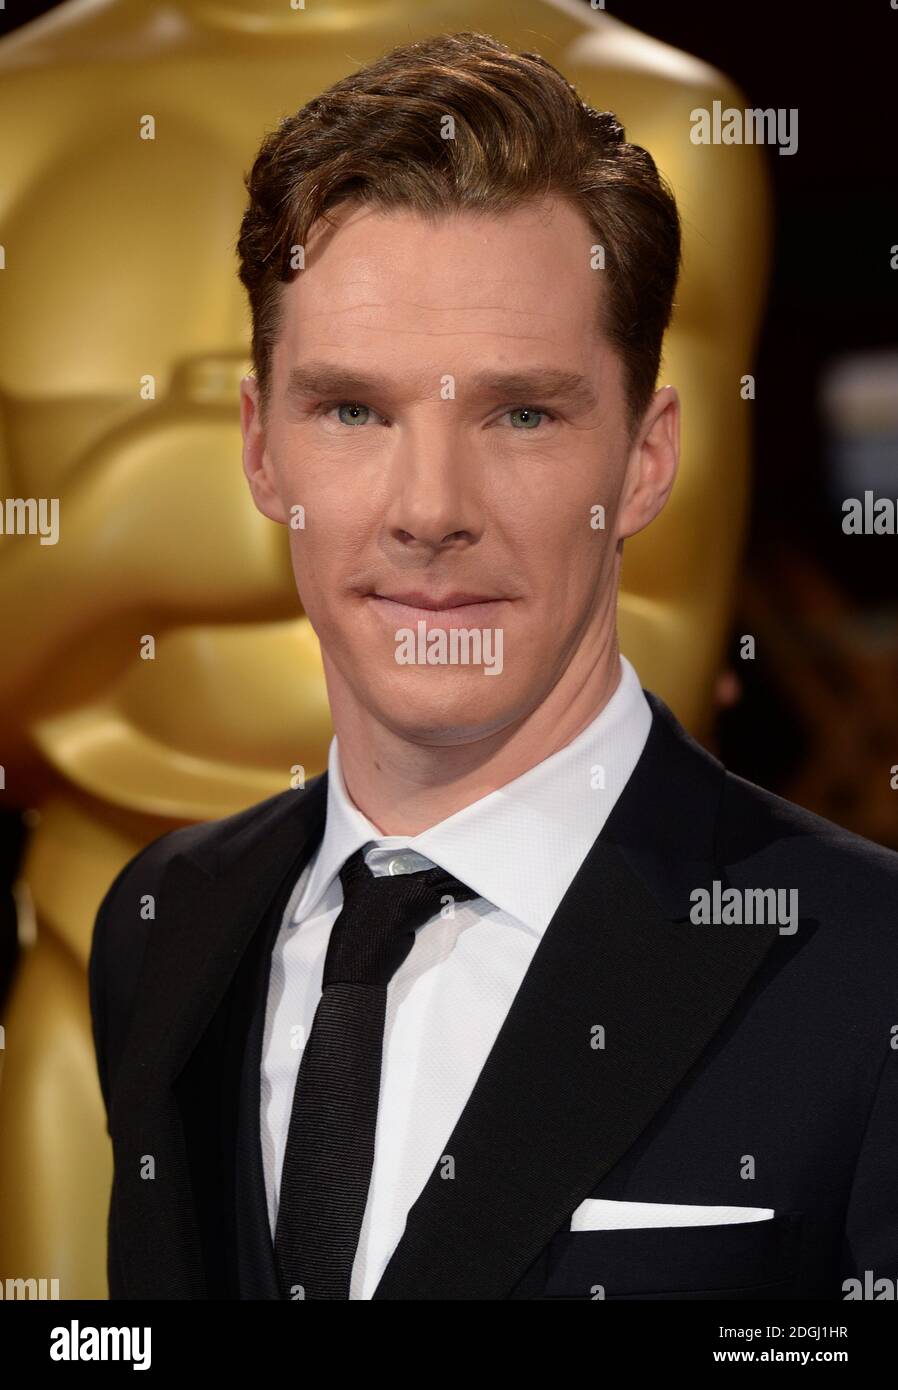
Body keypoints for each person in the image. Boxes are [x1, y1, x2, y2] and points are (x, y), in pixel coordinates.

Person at [88, 31, 898, 1301]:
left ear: (643, 456)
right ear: (261, 449)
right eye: (353, 410)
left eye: (520, 414)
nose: (428, 509)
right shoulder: (163, 923)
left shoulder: (864, 965)